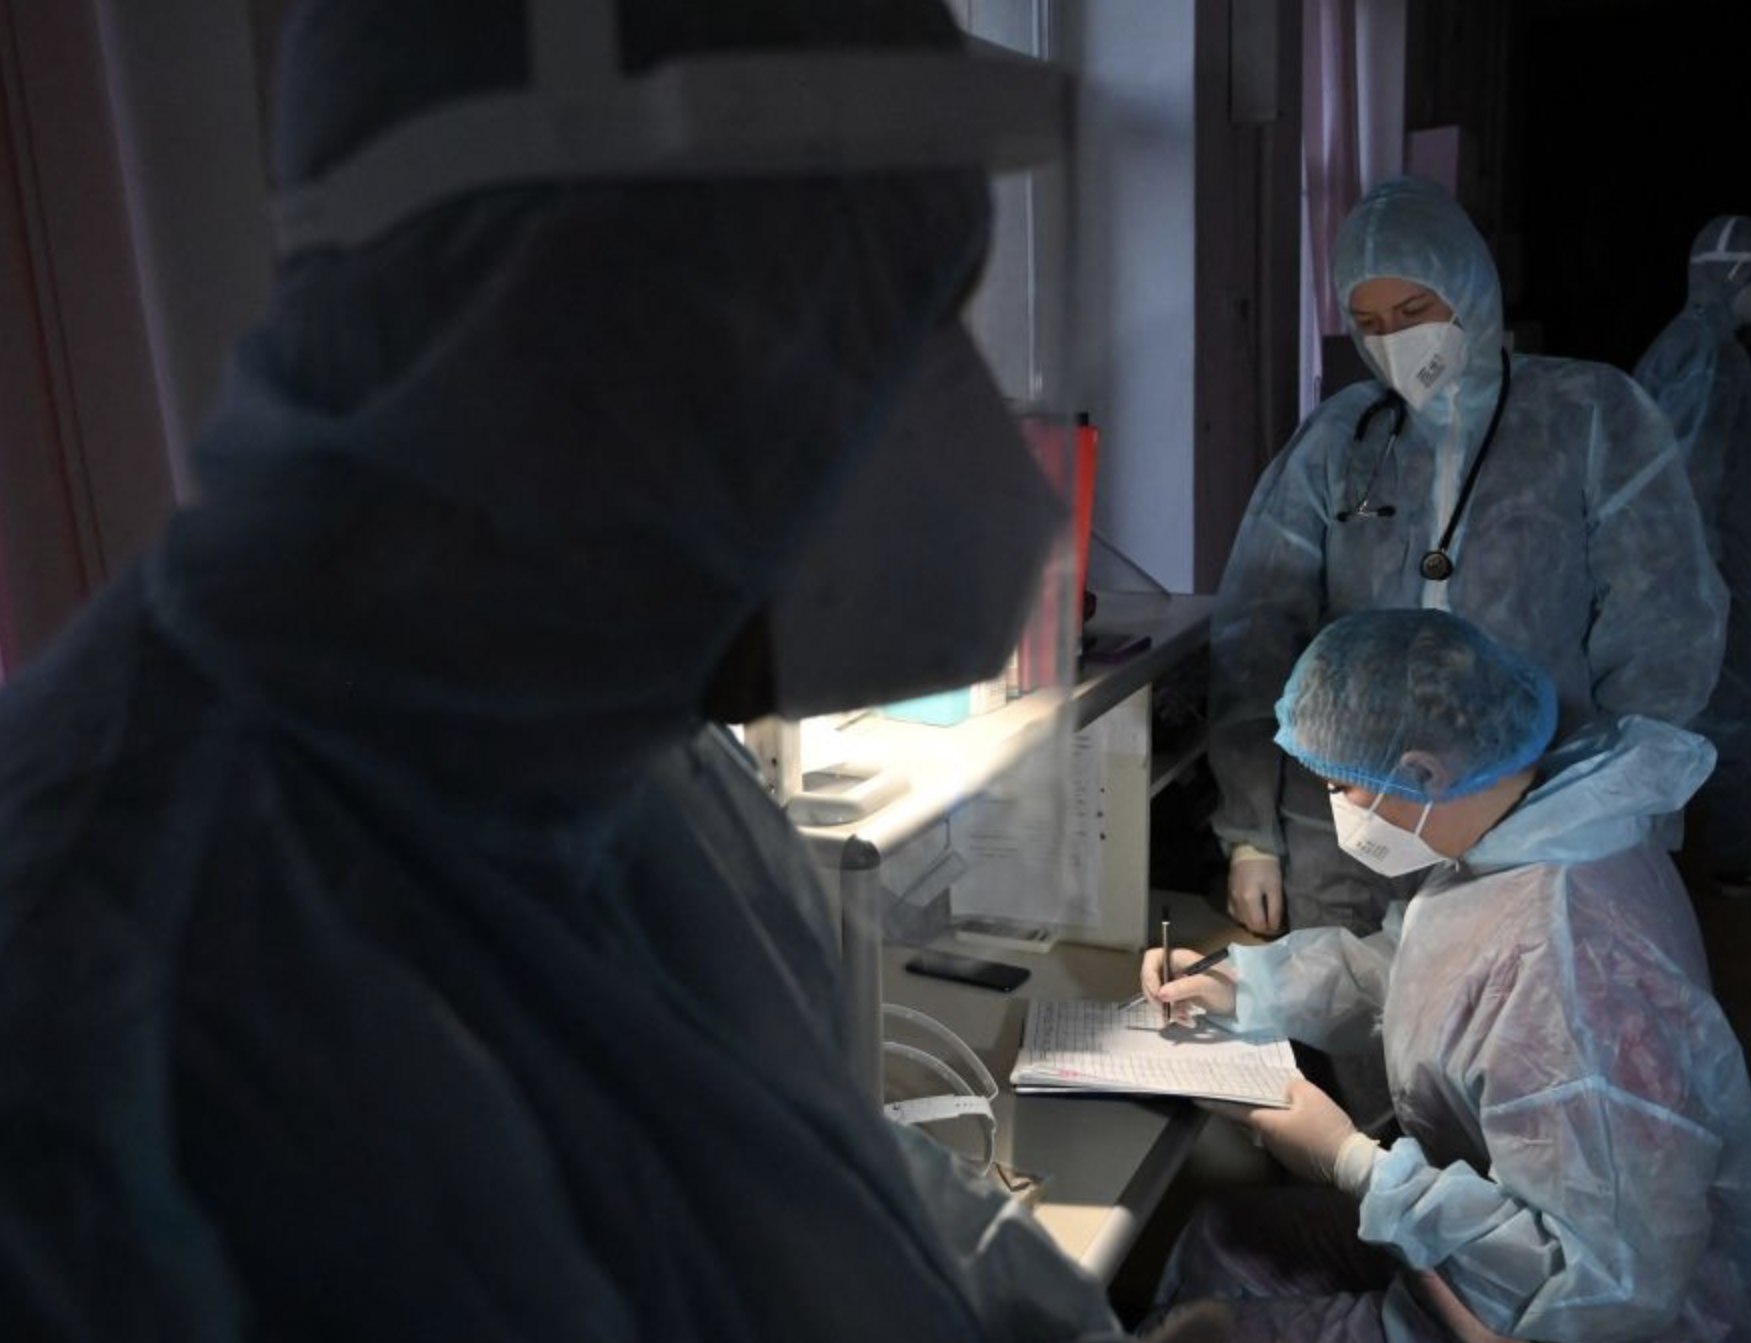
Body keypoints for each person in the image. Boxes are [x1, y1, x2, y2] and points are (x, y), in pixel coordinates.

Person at [0, 2, 1149, 1338]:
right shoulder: (85, 1017)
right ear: (577, 313)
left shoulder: (627, 775)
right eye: (885, 319)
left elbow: (848, 1204)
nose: (962, 429)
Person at [1141, 609, 1751, 1343]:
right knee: (1217, 1234)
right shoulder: (1525, 834)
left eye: (1341, 787)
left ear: (1421, 771)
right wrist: (1245, 986)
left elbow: (1593, 1289)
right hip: (1483, 1235)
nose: (1338, 807)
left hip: (1569, 1317)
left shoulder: (1571, 961)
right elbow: (1425, 974)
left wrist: (1354, 1162)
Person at [1209, 174, 1727, 938]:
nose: (1396, 341)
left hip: (1532, 819)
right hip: (1351, 832)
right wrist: (1251, 833)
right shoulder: (1341, 442)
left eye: (1416, 312)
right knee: (1342, 1016)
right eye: (1369, 321)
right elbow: (1257, 633)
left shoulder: (1591, 420)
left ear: (1473, 289)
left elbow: (1663, 632)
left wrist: (1602, 810)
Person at [1634, 215, 1751, 897]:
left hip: (1673, 572)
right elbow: (1696, 480)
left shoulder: (1686, 345)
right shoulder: (1710, 357)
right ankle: (1744, 859)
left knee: (1672, 713)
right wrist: (1702, 585)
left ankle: (1654, 871)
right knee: (1729, 711)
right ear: (1735, 276)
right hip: (1698, 575)